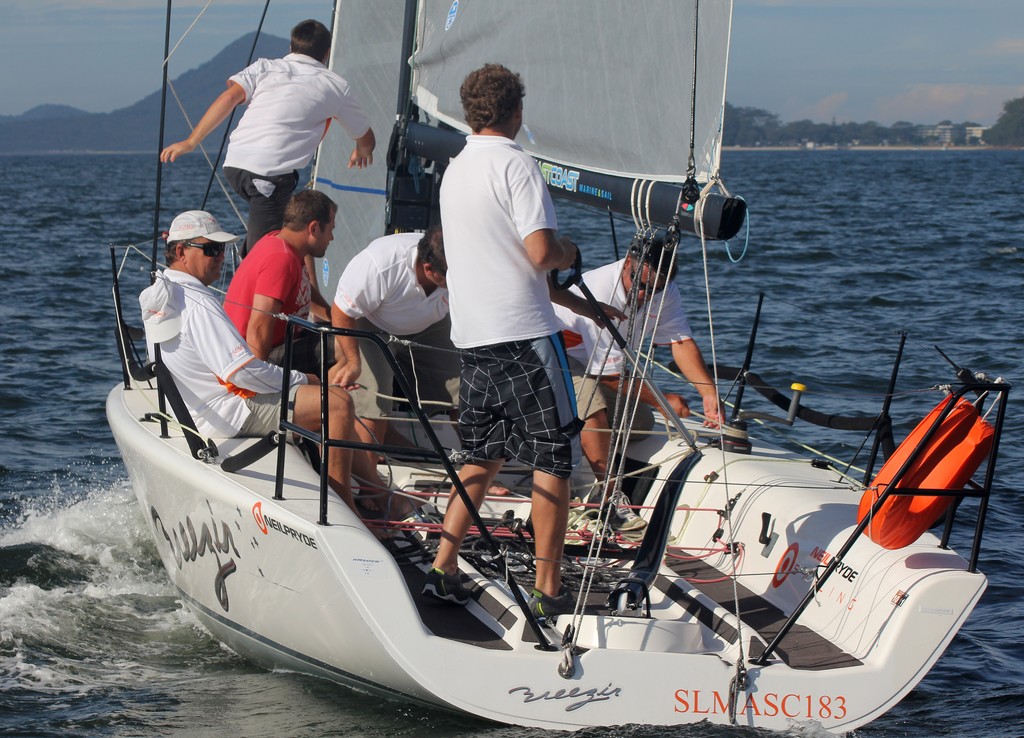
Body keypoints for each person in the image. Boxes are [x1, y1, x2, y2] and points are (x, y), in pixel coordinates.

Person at [422, 64, 613, 619]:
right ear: (517, 111)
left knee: (483, 453)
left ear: (468, 112)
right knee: (554, 459)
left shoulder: (453, 171)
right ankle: (548, 588)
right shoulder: (517, 164)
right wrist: (570, 251)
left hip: (474, 337)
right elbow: (538, 252)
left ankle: (443, 565)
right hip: (525, 335)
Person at [138, 210, 364, 524]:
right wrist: (307, 380)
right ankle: (347, 512)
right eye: (211, 249)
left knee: (325, 399)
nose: (220, 257)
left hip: (197, 412)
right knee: (338, 404)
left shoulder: (163, 292)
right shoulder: (197, 302)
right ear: (180, 252)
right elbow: (241, 372)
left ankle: (366, 486)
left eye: (223, 249)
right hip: (226, 415)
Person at [159, 19, 376, 257]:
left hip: (235, 165)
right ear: (327, 53)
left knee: (295, 226)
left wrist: (191, 141)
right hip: (269, 175)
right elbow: (365, 137)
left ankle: (291, 281)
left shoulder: (264, 67)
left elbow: (230, 97)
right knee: (263, 253)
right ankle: (253, 283)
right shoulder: (336, 85)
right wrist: (362, 150)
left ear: (291, 48)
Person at [554, 235, 723, 532]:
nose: (644, 294)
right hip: (556, 355)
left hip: (598, 365)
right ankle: (609, 499)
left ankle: (579, 447)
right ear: (629, 263)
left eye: (654, 289)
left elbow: (679, 340)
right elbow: (607, 376)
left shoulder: (664, 289)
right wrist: (663, 399)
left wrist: (708, 393)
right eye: (640, 284)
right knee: (594, 408)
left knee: (641, 423)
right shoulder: (600, 288)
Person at [328, 227, 459, 471]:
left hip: (432, 324)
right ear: (428, 269)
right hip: (372, 323)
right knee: (375, 402)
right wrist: (353, 362)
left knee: (465, 394)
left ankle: (479, 469)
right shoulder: (381, 263)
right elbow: (341, 312)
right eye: (450, 275)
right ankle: (368, 485)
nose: (457, 280)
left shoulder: (459, 267)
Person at [224, 190, 337, 371]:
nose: (332, 238)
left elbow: (302, 289)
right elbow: (258, 329)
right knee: (343, 346)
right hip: (251, 357)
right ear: (314, 228)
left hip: (283, 341)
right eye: (331, 230)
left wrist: (335, 318)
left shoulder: (285, 244)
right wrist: (260, 388)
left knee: (345, 335)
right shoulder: (280, 259)